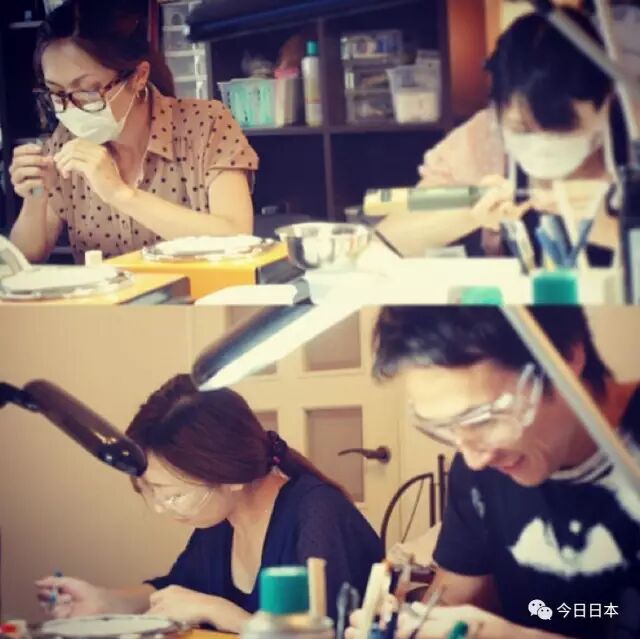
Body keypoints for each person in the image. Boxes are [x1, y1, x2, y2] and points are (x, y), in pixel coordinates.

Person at [349, 307, 640, 639]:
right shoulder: (481, 469)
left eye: (484, 420)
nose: (474, 459)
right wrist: (412, 626)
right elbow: (452, 598)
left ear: (566, 355)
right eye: (446, 428)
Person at [35, 375, 382, 630]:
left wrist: (220, 612)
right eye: (148, 491)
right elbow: (177, 590)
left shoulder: (318, 516)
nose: (159, 508)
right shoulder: (220, 522)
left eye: (172, 495)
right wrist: (105, 602)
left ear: (231, 476)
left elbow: (326, 632)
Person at [378, 7, 635, 261]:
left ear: (606, 103)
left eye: (563, 127)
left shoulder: (633, 137)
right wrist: (469, 214)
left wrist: (611, 231)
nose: (543, 143)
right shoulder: (481, 141)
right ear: (497, 111)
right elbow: (387, 241)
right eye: (521, 128)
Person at [9, 0, 257, 264]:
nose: (70, 107)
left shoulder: (205, 124)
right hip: (104, 292)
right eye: (57, 92)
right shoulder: (64, 142)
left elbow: (237, 237)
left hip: (199, 291)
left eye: (88, 90)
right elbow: (26, 259)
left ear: (139, 76)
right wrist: (35, 197)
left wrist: (120, 194)